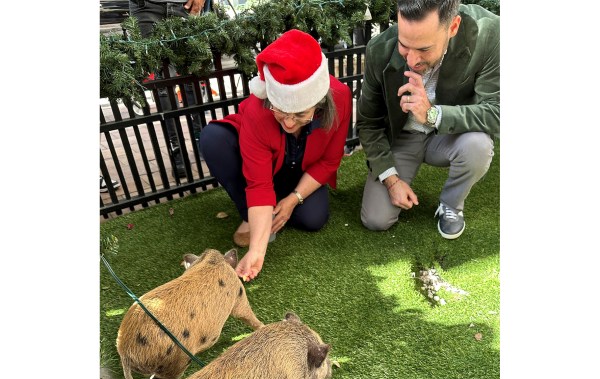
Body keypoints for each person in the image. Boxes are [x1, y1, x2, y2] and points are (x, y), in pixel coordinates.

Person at [200, 29, 352, 281]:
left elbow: (329, 161)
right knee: (213, 140)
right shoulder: (257, 109)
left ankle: (275, 207)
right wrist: (257, 251)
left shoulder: (341, 98)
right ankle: (252, 215)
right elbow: (259, 183)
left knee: (313, 219)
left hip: (303, 171)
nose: (290, 123)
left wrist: (293, 200)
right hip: (265, 167)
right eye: (280, 111)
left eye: (301, 114)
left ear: (320, 102)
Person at [356, 0, 499, 239]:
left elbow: (498, 111)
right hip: (403, 137)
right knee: (375, 219)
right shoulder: (379, 49)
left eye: (424, 49)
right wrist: (391, 180)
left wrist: (433, 114)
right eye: (404, 45)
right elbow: (368, 123)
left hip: (449, 135)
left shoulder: (489, 34)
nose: (411, 60)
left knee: (478, 146)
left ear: (453, 27)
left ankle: (451, 205)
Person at [128, 0, 209, 178]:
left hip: (184, 4)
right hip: (146, 6)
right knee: (162, 82)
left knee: (192, 76)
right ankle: (177, 149)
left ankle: (204, 141)